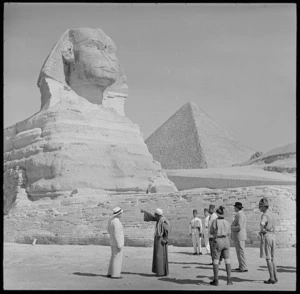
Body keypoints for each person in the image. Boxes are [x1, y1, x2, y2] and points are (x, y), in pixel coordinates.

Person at [141, 208, 170, 276]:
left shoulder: (163, 220)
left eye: (155, 214)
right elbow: (152, 217)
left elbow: (167, 230)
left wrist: (165, 239)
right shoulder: (159, 219)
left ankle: (161, 272)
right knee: (158, 256)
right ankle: (159, 271)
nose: (154, 216)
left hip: (161, 240)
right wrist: (145, 211)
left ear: (158, 215)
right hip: (158, 239)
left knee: (160, 256)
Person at [209, 206, 233, 286]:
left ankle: (216, 280)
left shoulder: (215, 222)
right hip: (226, 240)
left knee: (216, 261)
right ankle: (229, 280)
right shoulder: (227, 222)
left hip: (218, 240)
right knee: (227, 260)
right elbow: (229, 232)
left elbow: (211, 232)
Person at [258, 197, 278, 284]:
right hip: (274, 236)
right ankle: (275, 277)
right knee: (273, 258)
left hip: (267, 236)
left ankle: (272, 278)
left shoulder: (265, 215)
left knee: (268, 258)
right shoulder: (273, 214)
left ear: (264, 207)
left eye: (260, 206)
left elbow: (262, 223)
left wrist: (262, 230)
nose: (259, 208)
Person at [107, 207, 124, 279]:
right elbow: (117, 234)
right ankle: (115, 274)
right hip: (117, 242)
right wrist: (119, 244)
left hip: (112, 241)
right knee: (117, 258)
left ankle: (110, 273)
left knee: (113, 257)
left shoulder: (111, 220)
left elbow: (108, 230)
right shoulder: (116, 221)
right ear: (119, 214)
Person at [231, 202, 248, 272]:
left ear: (237, 207)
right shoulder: (240, 214)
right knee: (239, 252)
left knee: (240, 252)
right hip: (239, 236)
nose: (234, 208)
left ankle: (243, 267)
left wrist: (232, 228)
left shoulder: (240, 215)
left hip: (239, 236)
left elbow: (239, 227)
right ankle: (241, 266)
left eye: (235, 207)